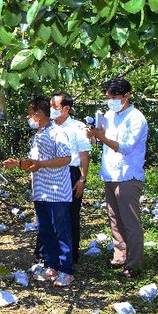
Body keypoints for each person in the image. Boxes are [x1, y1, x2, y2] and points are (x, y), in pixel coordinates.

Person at [3, 96, 74, 287]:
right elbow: (33, 163)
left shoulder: (57, 133)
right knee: (46, 230)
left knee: (61, 230)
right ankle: (51, 265)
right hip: (41, 191)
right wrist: (17, 163)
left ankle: (66, 269)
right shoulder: (38, 135)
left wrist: (41, 164)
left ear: (40, 114)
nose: (28, 116)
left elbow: (66, 158)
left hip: (56, 191)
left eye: (30, 113)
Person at [87, 77, 148, 278]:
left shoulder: (136, 118)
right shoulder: (109, 114)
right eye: (108, 97)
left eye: (114, 97)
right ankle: (120, 255)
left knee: (130, 222)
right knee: (114, 218)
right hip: (111, 173)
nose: (110, 101)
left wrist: (102, 137)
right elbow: (103, 141)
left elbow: (126, 147)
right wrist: (94, 136)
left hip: (128, 175)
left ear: (126, 96)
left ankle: (135, 263)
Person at [34, 92, 92, 263]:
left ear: (66, 109)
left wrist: (82, 179)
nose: (51, 110)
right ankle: (46, 254)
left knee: (69, 216)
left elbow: (84, 155)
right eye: (50, 106)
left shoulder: (77, 127)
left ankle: (69, 256)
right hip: (49, 174)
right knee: (47, 214)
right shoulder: (46, 127)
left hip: (70, 172)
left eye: (55, 107)